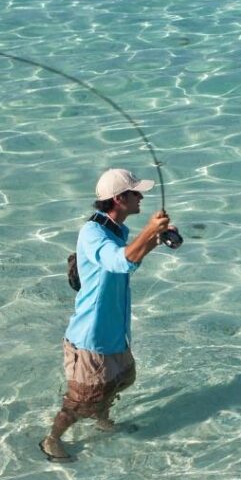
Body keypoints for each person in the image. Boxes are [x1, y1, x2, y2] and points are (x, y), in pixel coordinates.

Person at [40, 168, 173, 463]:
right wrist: (149, 231)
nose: (141, 197)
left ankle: (102, 420)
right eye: (135, 193)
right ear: (118, 199)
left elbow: (129, 261)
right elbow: (118, 260)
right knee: (79, 402)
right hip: (91, 337)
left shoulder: (117, 230)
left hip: (114, 331)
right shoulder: (92, 233)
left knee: (120, 380)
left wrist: (156, 239)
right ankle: (51, 439)